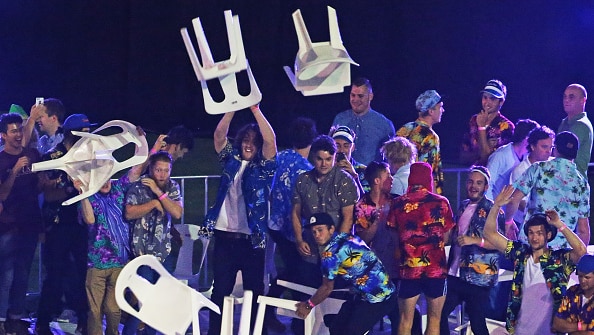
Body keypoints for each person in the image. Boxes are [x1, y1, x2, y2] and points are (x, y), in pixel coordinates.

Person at [200, 105, 276, 335]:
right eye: (245, 138)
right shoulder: (230, 161)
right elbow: (219, 136)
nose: (248, 144)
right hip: (225, 238)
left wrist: (255, 111)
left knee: (254, 291)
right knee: (220, 291)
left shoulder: (263, 167)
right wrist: (231, 110)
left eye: (254, 140)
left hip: (251, 240)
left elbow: (271, 141)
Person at [483, 185, 587, 335]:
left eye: (539, 233)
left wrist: (559, 224)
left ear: (548, 235)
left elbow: (581, 251)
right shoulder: (521, 253)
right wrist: (496, 206)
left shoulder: (558, 260)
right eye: (531, 233)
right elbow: (489, 234)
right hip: (519, 329)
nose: (534, 237)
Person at [76, 127, 150, 335]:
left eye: (107, 176)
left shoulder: (119, 190)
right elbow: (89, 220)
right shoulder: (89, 198)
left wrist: (141, 139)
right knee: (94, 310)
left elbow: (137, 166)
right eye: (100, 177)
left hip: (119, 262)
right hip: (97, 264)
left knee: (113, 308)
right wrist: (82, 192)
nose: (106, 180)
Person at [35, 114, 97, 335]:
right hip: (57, 224)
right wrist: (69, 186)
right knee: (55, 273)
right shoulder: (54, 157)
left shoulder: (88, 157)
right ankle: (43, 320)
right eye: (85, 131)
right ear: (74, 133)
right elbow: (46, 192)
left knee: (82, 272)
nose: (88, 136)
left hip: (79, 223)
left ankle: (83, 318)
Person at [294, 213, 398, 335]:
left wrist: (308, 305)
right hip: (387, 290)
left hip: (376, 299)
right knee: (337, 326)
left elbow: (327, 288)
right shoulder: (348, 237)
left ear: (331, 229)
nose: (317, 235)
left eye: (320, 230)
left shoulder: (329, 254)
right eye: (314, 232)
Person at [353, 161, 422, 335]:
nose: (392, 179)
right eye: (388, 175)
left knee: (405, 315)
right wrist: (376, 221)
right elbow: (362, 239)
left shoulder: (397, 202)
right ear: (377, 180)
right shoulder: (363, 205)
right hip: (374, 270)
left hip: (397, 266)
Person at [387, 162, 455, 335]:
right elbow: (446, 238)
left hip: (408, 269)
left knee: (404, 321)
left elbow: (394, 237)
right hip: (436, 270)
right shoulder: (442, 203)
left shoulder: (397, 204)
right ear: (428, 179)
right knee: (434, 321)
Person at [123, 151, 183, 335]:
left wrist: (159, 195)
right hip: (141, 256)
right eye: (158, 170)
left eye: (166, 170)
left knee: (159, 302)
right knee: (140, 300)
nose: (162, 175)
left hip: (164, 254)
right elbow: (129, 213)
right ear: (151, 168)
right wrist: (153, 205)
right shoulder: (138, 187)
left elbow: (177, 213)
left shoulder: (172, 187)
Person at [440, 166, 505, 335]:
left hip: (479, 278)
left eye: (478, 183)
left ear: (486, 187)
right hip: (456, 274)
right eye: (470, 181)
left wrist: (475, 240)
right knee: (439, 313)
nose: (473, 186)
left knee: (477, 323)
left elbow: (501, 244)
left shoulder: (493, 210)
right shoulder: (463, 206)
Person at [266, 116, 316, 332]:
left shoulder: (280, 157)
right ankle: (289, 318)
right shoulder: (306, 170)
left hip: (274, 225)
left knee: (295, 272)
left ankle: (280, 314)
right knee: (299, 274)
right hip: (294, 231)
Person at [291, 134, 359, 285]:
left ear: (334, 157)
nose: (324, 164)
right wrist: (299, 240)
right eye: (320, 159)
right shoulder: (303, 180)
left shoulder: (345, 181)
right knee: (305, 288)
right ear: (313, 157)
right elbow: (295, 212)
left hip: (338, 252)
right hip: (310, 248)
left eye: (328, 159)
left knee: (334, 295)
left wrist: (336, 249)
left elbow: (348, 218)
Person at [504, 131, 590, 249]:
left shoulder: (538, 168)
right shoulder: (582, 183)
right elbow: (583, 230)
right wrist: (577, 258)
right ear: (576, 153)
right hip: (562, 253)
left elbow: (514, 200)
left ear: (555, 149)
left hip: (531, 245)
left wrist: (508, 221)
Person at [0, 113, 43, 335]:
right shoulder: (2, 160)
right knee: (6, 275)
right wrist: (15, 171)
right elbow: (3, 195)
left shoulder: (32, 154)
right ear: (3, 135)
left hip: (30, 224)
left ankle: (15, 318)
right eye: (13, 131)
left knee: (23, 274)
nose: (18, 134)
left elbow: (39, 186)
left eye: (20, 129)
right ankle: (1, 319)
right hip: (8, 227)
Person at [332, 77, 395, 165]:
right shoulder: (340, 119)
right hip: (341, 174)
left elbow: (391, 158)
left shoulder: (384, 124)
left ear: (370, 96)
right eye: (353, 95)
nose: (355, 100)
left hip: (370, 177)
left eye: (360, 96)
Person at [396, 89, 445, 194]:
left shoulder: (405, 128)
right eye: (440, 107)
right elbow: (429, 173)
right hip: (419, 193)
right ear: (431, 111)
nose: (443, 110)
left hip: (398, 187)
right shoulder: (431, 137)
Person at [509, 125, 555, 228]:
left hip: (550, 223)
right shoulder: (521, 170)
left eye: (551, 147)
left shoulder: (555, 165)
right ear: (533, 146)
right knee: (511, 245)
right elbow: (519, 202)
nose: (548, 151)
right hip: (524, 224)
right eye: (544, 147)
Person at [461, 79, 515, 166]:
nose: (487, 102)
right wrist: (483, 149)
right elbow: (463, 156)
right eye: (485, 97)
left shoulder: (506, 127)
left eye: (492, 99)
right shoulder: (473, 120)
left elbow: (487, 158)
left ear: (501, 102)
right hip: (473, 175)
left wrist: (481, 128)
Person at [485, 119, 538, 201]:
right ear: (527, 139)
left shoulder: (527, 157)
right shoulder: (500, 156)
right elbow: (488, 184)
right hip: (497, 208)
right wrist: (491, 208)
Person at [558, 83, 593, 178]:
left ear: (583, 100)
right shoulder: (564, 122)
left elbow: (563, 155)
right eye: (565, 97)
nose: (566, 100)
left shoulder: (581, 125)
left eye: (571, 97)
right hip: (562, 179)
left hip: (573, 183)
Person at [553, 254, 594, 333]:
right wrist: (582, 327)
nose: (582, 280)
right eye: (580, 276)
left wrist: (570, 326)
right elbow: (557, 324)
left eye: (587, 277)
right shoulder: (572, 291)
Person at [329, 125, 366, 194]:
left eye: (346, 146)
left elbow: (365, 202)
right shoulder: (325, 167)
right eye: (337, 146)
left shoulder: (363, 170)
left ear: (352, 148)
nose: (341, 150)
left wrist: (354, 176)